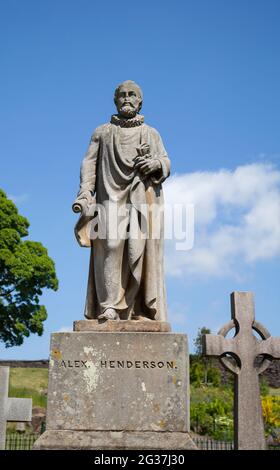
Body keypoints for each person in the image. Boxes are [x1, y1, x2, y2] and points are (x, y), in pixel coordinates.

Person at [73, 80, 170, 321]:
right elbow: (89, 164)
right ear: (116, 101)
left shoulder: (151, 133)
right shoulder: (103, 132)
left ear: (140, 101)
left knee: (138, 251)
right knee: (112, 246)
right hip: (109, 198)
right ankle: (109, 307)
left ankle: (137, 308)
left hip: (142, 199)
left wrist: (155, 164)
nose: (127, 98)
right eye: (122, 95)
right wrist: (86, 192)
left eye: (132, 95)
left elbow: (165, 161)